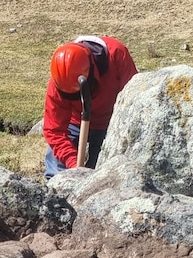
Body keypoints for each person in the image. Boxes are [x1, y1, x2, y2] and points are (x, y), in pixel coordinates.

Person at [44, 36, 138, 179]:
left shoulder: (117, 55)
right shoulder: (59, 79)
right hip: (75, 124)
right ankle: (55, 189)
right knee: (57, 163)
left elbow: (134, 101)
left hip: (111, 125)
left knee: (104, 173)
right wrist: (73, 163)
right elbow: (54, 130)